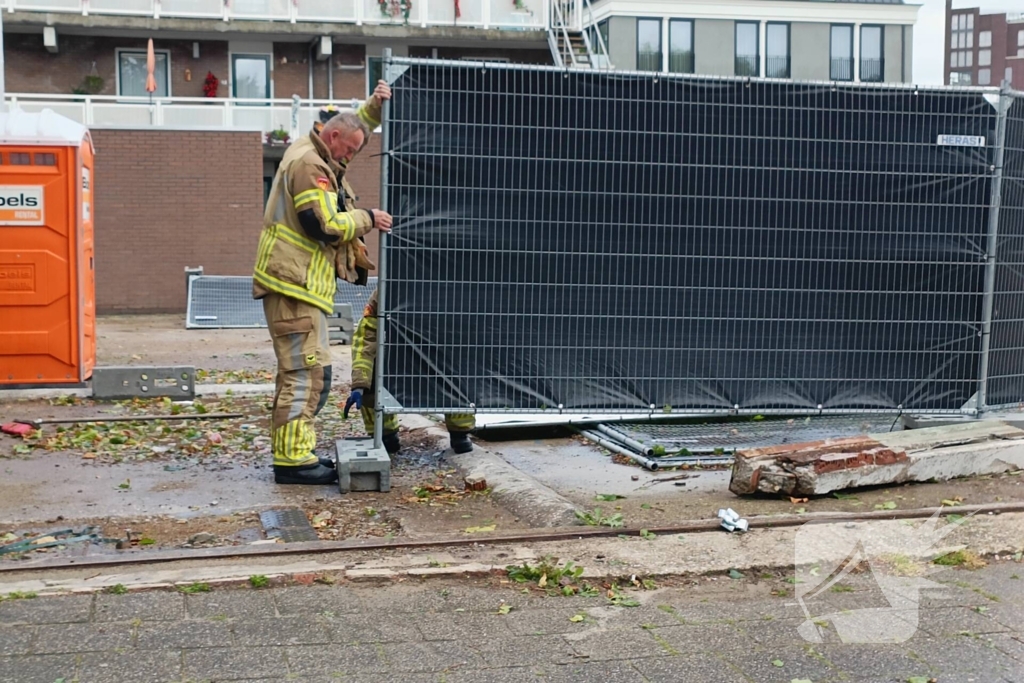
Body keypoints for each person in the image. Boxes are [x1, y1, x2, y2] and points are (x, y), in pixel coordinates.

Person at [253, 87, 392, 486]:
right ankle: (294, 462)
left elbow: (352, 128)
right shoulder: (309, 165)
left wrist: (374, 108)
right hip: (293, 286)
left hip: (298, 287)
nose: (349, 158)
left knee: (308, 373)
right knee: (305, 374)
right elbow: (322, 223)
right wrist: (368, 218)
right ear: (332, 138)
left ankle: (296, 454)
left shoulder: (316, 150)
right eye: (348, 151)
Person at [344, 289, 477, 455]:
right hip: (407, 364)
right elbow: (367, 339)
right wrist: (360, 383)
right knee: (369, 379)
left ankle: (458, 434)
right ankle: (386, 435)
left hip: (430, 362)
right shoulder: (454, 288)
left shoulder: (387, 288)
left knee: (462, 369)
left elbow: (366, 338)